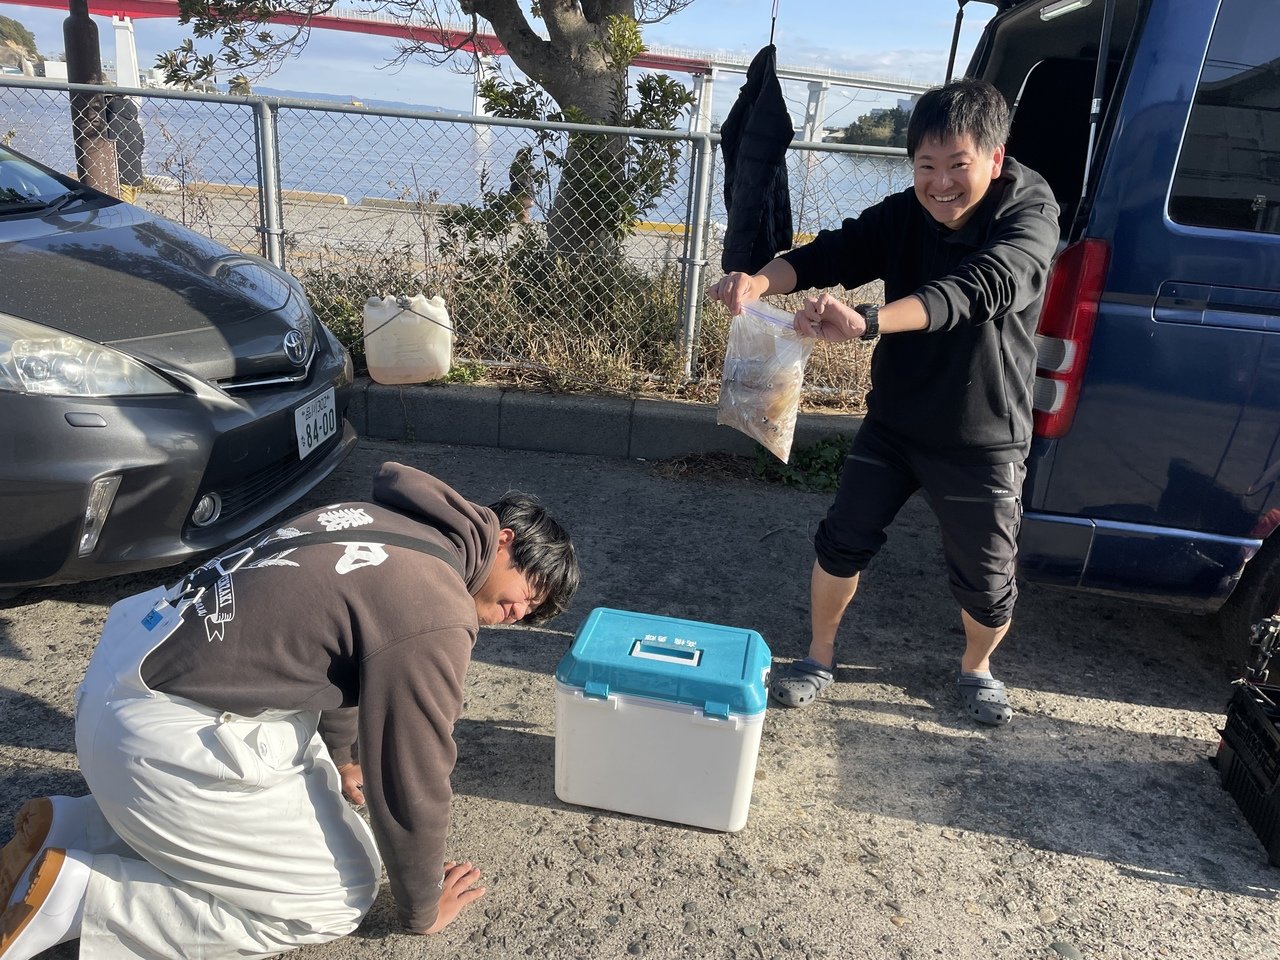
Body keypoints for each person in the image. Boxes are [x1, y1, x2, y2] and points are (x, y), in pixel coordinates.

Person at [0, 461, 579, 959]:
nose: (522, 613)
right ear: (504, 541)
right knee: (336, 896)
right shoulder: (438, 605)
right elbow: (413, 772)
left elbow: (346, 665)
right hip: (156, 740)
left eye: (535, 613)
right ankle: (80, 897)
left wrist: (344, 757)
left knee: (329, 802)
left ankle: (78, 829)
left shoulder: (377, 520)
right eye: (531, 591)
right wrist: (422, 905)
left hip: (124, 677)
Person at [708, 78, 1059, 726]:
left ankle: (977, 666)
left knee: (987, 583)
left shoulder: (1029, 216)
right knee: (841, 541)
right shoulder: (904, 214)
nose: (941, 184)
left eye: (957, 165)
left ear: (995, 159)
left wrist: (869, 321)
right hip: (895, 420)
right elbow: (832, 253)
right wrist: (758, 280)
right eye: (926, 166)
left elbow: (977, 289)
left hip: (982, 432)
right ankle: (817, 656)